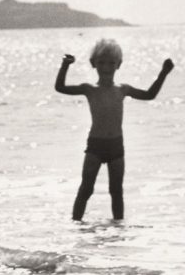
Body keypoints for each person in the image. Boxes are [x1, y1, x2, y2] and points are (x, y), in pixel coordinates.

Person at [55, 39, 174, 221]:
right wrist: (65, 65)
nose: (106, 67)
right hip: (95, 145)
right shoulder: (89, 89)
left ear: (119, 65)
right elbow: (60, 87)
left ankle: (118, 232)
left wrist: (164, 73)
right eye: (101, 62)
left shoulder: (123, 90)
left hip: (116, 146)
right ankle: (75, 227)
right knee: (86, 188)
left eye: (111, 62)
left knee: (116, 190)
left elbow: (150, 95)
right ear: (93, 64)